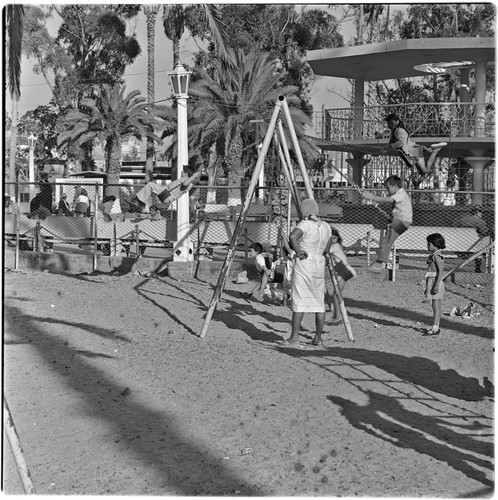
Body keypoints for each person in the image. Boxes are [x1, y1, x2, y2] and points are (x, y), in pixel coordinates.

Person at [284, 198, 332, 347]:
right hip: (319, 264)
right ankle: (318, 338)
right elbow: (327, 248)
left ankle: (294, 338)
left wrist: (298, 251)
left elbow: (292, 236)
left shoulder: (305, 224)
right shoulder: (326, 226)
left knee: (300, 301)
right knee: (319, 304)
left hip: (305, 264)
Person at [362, 175, 412, 273]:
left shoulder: (400, 194)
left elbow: (388, 200)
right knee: (387, 241)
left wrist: (372, 197)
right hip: (401, 221)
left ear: (395, 186)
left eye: (388, 188)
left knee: (386, 241)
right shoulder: (401, 194)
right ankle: (379, 263)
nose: (387, 191)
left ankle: (379, 264)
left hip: (402, 221)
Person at [128, 165, 202, 213]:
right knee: (150, 187)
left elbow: (185, 184)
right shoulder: (185, 180)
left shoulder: (188, 182)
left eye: (183, 171)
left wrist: (193, 176)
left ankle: (140, 203)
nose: (181, 172)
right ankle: (139, 204)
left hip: (167, 195)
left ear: (186, 173)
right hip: (166, 194)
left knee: (150, 185)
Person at [325, 228, 357, 324]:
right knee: (333, 293)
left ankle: (338, 317)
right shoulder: (335, 245)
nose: (332, 240)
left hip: (343, 270)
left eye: (334, 238)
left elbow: (325, 251)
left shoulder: (334, 246)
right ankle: (335, 315)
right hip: (341, 270)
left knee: (336, 294)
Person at [423, 233, 445, 336]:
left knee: (436, 305)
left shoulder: (437, 256)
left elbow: (440, 271)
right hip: (432, 281)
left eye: (429, 244)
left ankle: (435, 328)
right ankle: (437, 326)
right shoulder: (434, 255)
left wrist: (436, 285)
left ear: (434, 244)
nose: (427, 246)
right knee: (437, 305)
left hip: (435, 281)